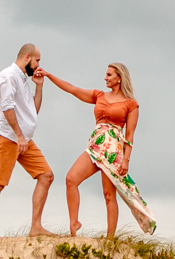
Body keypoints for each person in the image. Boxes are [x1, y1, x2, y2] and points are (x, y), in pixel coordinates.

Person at [41, 63, 156, 237]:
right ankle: (74, 223)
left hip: (112, 152)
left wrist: (126, 160)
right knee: (71, 179)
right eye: (106, 75)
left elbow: (130, 135)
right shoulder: (99, 95)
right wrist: (49, 76)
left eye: (109, 75)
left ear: (119, 78)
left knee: (109, 195)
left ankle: (110, 238)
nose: (105, 78)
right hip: (95, 147)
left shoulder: (131, 104)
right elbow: (72, 89)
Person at [0, 44, 55, 239]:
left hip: (25, 140)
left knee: (46, 175)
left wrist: (39, 87)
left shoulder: (23, 78)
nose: (39, 64)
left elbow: (33, 111)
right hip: (8, 137)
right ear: (27, 57)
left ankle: (36, 227)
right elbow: (7, 107)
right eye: (37, 60)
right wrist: (19, 135)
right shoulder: (8, 76)